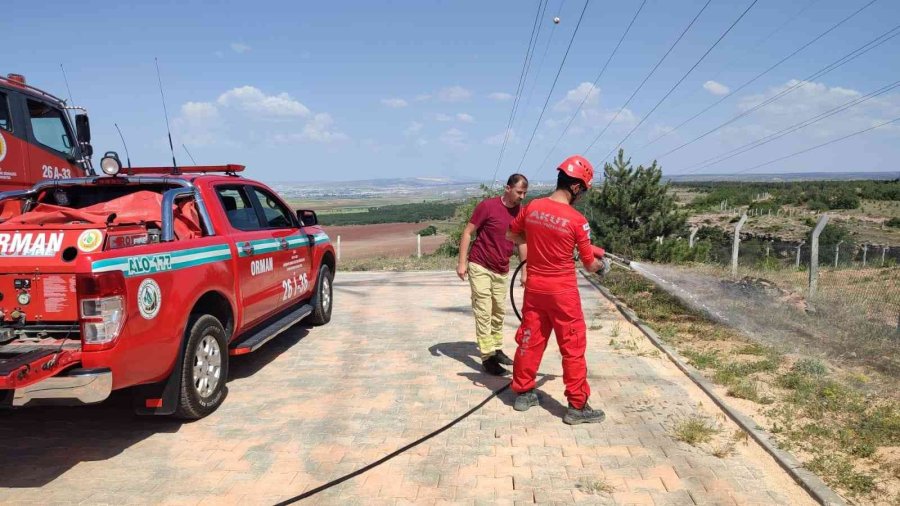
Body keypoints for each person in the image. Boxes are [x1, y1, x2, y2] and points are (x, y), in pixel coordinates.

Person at [506, 155, 609, 425]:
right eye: (583, 190)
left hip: (535, 289)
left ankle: (523, 393)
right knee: (572, 347)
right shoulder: (577, 221)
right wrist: (602, 266)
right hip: (563, 294)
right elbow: (589, 264)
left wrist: (542, 245)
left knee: (530, 340)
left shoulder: (532, 207)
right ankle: (577, 406)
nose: (582, 195)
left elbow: (513, 235)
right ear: (576, 187)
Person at [457, 174, 529, 376]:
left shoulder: (520, 212)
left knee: (498, 312)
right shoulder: (487, 206)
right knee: (484, 310)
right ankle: (487, 357)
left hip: (501, 268)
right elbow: (467, 232)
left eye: (524, 193)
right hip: (480, 265)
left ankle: (496, 349)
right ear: (508, 188)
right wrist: (462, 263)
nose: (522, 196)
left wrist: (525, 272)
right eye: (519, 192)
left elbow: (523, 242)